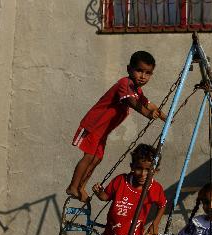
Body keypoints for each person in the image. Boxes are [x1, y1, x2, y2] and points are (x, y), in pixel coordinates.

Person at [66, 51, 167, 202]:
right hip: (93, 125)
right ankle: (73, 186)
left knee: (97, 159)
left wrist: (164, 116)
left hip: (102, 132)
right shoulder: (125, 84)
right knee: (89, 156)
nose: (143, 76)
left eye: (148, 73)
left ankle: (81, 187)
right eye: (139, 70)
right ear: (129, 69)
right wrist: (147, 114)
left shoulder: (137, 90)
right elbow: (131, 102)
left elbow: (147, 103)